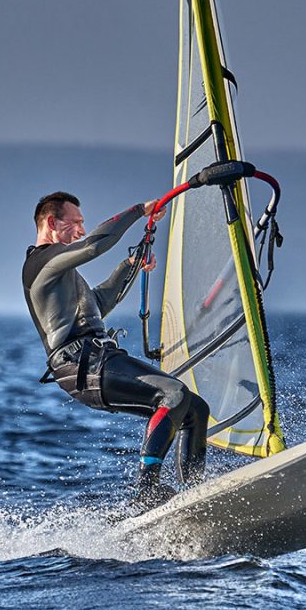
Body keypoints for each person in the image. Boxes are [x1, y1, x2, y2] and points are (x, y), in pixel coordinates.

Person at [22, 191, 210, 508]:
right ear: (52, 222)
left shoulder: (62, 272)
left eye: (83, 224)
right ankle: (146, 491)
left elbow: (98, 304)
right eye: (76, 223)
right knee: (173, 395)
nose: (81, 230)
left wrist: (130, 264)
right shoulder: (41, 263)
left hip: (97, 358)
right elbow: (95, 245)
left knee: (194, 409)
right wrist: (139, 210)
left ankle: (194, 495)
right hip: (80, 364)